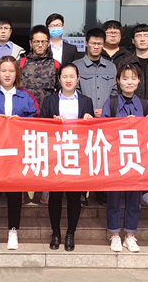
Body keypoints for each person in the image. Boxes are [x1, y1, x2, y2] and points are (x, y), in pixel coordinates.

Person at [0, 56, 39, 251]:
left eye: (11, 71)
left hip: (16, 153)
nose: (7, 74)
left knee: (14, 193)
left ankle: (13, 230)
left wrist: (22, 121)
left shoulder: (26, 96)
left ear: (17, 73)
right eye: (4, 71)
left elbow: (36, 118)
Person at [40, 63, 94, 251]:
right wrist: (51, 123)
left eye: (72, 76)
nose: (68, 80)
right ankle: (55, 232)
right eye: (64, 76)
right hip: (55, 153)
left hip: (77, 154)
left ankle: (71, 233)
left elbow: (92, 129)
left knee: (74, 196)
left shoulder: (86, 101)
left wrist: (90, 121)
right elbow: (40, 126)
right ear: (59, 79)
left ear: (78, 79)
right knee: (55, 195)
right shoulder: (49, 100)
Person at [117, 23, 148, 210]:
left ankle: (147, 191)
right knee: (131, 152)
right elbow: (119, 88)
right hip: (130, 117)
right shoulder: (125, 62)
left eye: (146, 35)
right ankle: (130, 190)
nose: (142, 39)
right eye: (138, 36)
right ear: (133, 40)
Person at [102, 63, 148, 253]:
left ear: (139, 81)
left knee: (134, 199)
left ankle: (130, 235)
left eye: (133, 78)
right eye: (125, 78)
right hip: (116, 159)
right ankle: (114, 234)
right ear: (118, 81)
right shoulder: (111, 103)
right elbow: (104, 130)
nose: (129, 82)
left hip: (137, 159)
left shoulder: (145, 104)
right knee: (114, 199)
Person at [73, 27, 117, 206]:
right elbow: (73, 91)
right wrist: (89, 110)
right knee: (83, 156)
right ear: (86, 43)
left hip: (105, 120)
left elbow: (115, 91)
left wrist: (105, 110)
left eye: (99, 43)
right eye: (93, 43)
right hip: (83, 119)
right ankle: (81, 191)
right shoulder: (76, 66)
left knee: (102, 156)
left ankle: (101, 191)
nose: (96, 46)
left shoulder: (111, 67)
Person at [20, 25, 60, 107]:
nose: (40, 45)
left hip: (47, 111)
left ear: (48, 43)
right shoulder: (20, 64)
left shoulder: (56, 65)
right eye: (36, 42)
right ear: (31, 43)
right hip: (25, 111)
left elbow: (61, 91)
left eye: (43, 42)